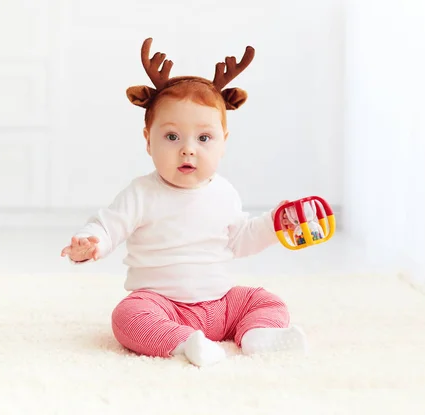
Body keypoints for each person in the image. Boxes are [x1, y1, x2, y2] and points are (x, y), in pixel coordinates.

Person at [60, 38, 307, 367]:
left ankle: (257, 335)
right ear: (148, 140)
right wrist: (92, 241)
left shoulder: (224, 192)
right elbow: (109, 224)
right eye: (172, 136)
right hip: (161, 305)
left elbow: (240, 239)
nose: (188, 149)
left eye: (204, 138)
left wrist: (275, 223)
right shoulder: (142, 193)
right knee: (127, 315)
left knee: (265, 300)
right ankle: (184, 343)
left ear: (223, 143)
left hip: (221, 305)